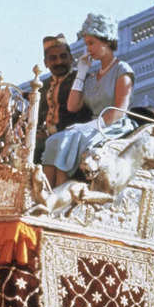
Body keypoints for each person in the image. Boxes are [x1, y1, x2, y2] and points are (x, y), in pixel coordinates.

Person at [42, 13, 135, 187]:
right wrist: (82, 72)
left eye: (91, 43)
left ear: (106, 41)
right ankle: (48, 195)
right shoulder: (92, 76)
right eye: (86, 44)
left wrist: (88, 126)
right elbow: (72, 106)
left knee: (66, 140)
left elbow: (119, 111)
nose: (88, 49)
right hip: (92, 127)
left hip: (114, 126)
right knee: (53, 141)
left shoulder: (122, 70)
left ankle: (60, 195)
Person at [34, 33, 92, 164]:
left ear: (71, 58)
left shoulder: (82, 79)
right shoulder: (43, 87)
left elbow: (85, 114)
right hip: (47, 141)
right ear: (46, 63)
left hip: (71, 139)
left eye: (63, 56)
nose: (59, 62)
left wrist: (53, 132)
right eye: (53, 58)